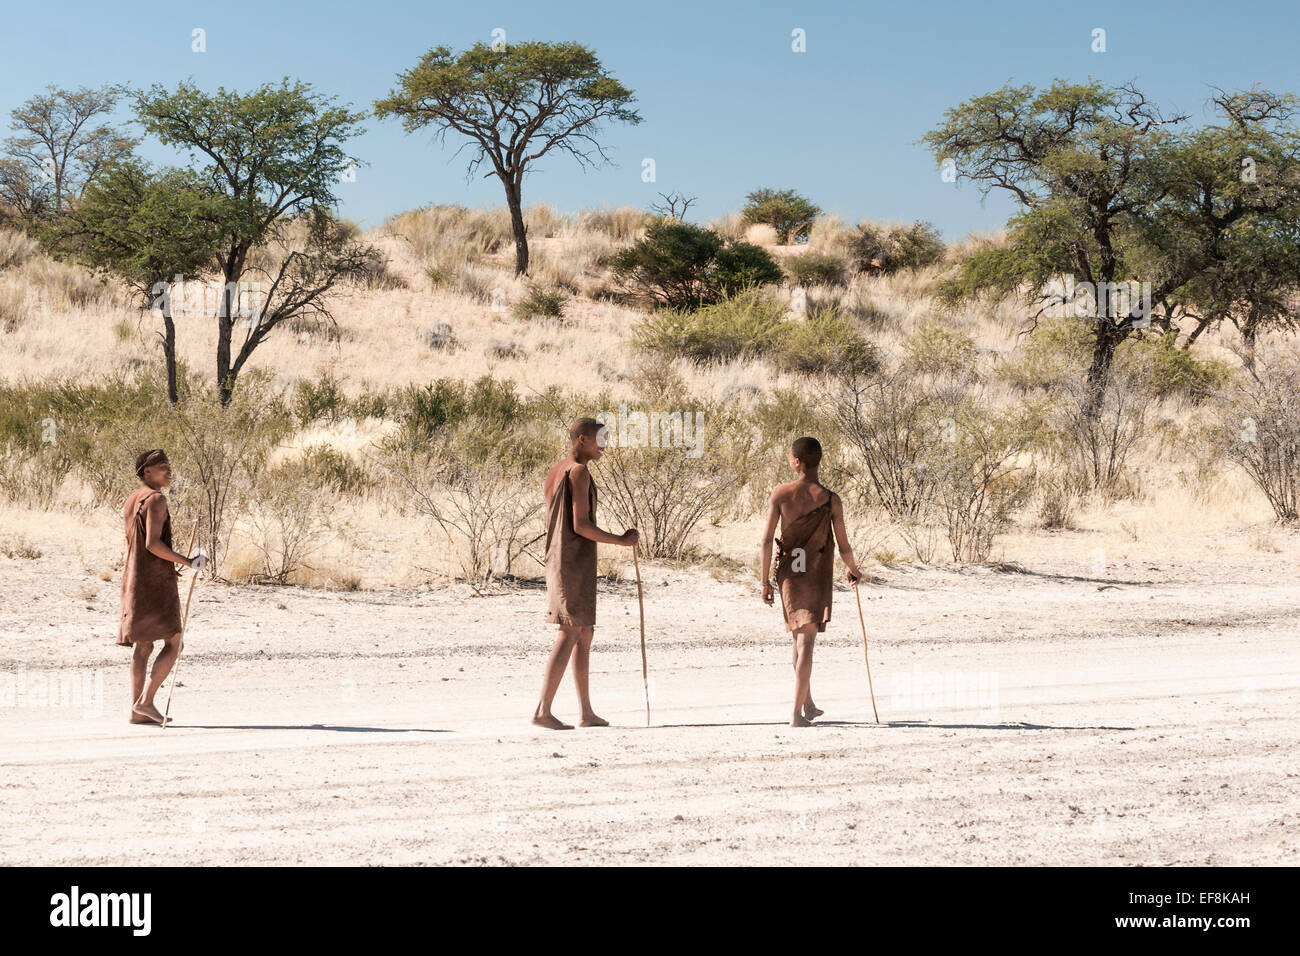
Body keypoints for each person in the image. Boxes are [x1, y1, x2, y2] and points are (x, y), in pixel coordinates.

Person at [532, 418, 638, 730]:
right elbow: (580, 525)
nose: (604, 445)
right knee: (570, 631)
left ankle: (586, 712)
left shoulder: (558, 469)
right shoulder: (578, 472)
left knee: (584, 632)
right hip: (570, 560)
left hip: (565, 557)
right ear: (582, 439)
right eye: (599, 439)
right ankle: (543, 710)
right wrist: (620, 540)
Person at [760, 437, 863, 727]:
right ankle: (796, 714)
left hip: (790, 574)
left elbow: (767, 539)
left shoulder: (781, 494)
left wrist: (764, 581)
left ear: (797, 462)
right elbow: (844, 546)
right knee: (806, 641)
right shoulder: (831, 499)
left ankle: (806, 705)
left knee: (799, 638)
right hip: (816, 575)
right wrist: (854, 569)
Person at [117, 449, 204, 724]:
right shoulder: (156, 499)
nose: (169, 472)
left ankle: (136, 711)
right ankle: (146, 701)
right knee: (174, 642)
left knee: (143, 646)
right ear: (147, 471)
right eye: (163, 467)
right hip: (154, 583)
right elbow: (152, 544)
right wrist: (188, 562)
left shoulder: (133, 499)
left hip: (134, 579)